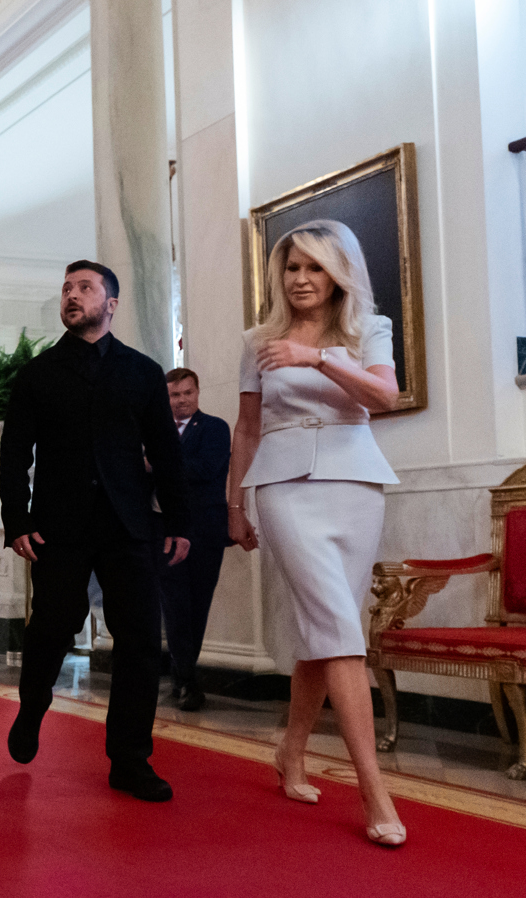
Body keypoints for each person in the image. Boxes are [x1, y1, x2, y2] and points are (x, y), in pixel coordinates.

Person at [226, 219, 405, 847]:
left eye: (314, 267)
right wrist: (233, 502)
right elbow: (246, 428)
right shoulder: (258, 340)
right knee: (336, 625)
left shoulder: (367, 329)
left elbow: (384, 396)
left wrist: (319, 357)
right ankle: (373, 790)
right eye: (291, 267)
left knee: (327, 628)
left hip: (355, 483)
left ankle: (291, 749)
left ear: (338, 273)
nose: (300, 279)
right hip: (283, 486)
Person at [1, 259, 190, 803]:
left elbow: (165, 452)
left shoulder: (142, 371)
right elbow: (14, 455)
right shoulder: (38, 374)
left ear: (110, 303)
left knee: (138, 641)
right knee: (53, 626)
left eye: (85, 287)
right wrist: (18, 521)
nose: (72, 295)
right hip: (59, 526)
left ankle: (129, 760)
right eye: (66, 288)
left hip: (129, 524)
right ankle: (33, 705)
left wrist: (177, 520)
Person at [160, 367, 232, 711]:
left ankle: (180, 676)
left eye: (187, 393)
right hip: (165, 531)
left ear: (197, 393)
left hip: (206, 530)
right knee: (174, 607)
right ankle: (188, 682)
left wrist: (157, 464)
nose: (181, 400)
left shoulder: (216, 428)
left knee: (198, 606)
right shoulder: (155, 432)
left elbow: (206, 470)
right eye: (174, 395)